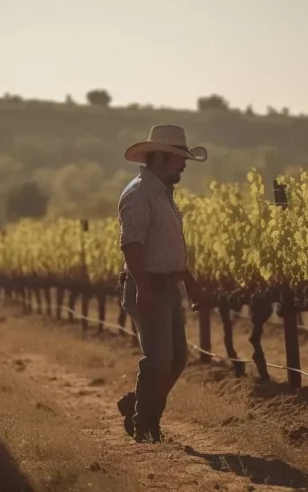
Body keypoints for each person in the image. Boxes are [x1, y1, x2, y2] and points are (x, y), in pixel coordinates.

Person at [115, 124, 207, 443]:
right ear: (162, 158)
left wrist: (189, 281)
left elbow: (170, 248)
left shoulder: (164, 194)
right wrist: (143, 288)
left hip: (168, 285)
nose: (183, 165)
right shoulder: (139, 194)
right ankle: (145, 427)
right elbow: (131, 244)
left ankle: (140, 407)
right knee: (158, 360)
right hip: (148, 285)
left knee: (177, 357)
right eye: (179, 159)